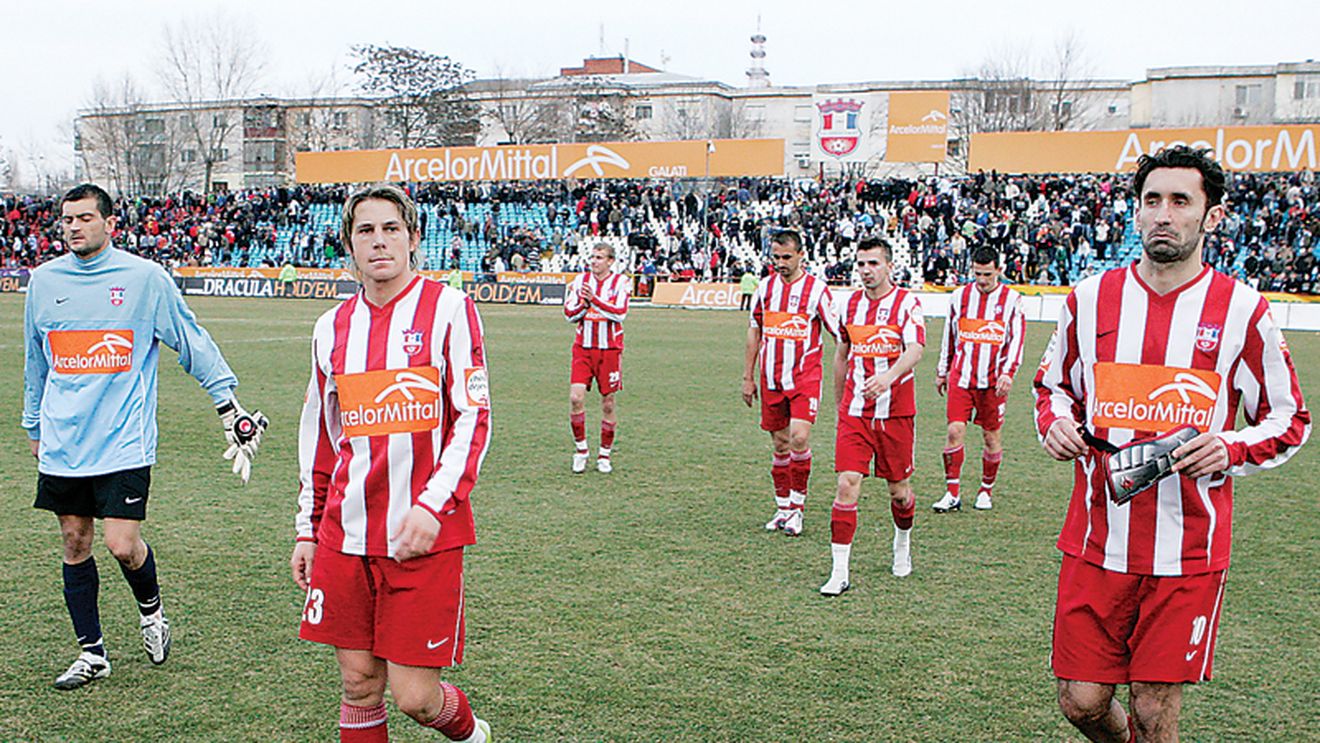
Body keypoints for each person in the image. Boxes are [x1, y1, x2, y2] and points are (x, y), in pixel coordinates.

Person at [1034, 146, 1310, 743]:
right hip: (1094, 540)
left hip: (1186, 551)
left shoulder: (1243, 311)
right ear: (1136, 213)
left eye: (1180, 201)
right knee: (1081, 703)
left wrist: (1230, 448)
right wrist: (1055, 422)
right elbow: (1052, 388)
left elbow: (1289, 419)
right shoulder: (1089, 300)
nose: (1164, 214)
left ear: (1211, 216)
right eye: (1151, 200)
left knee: (1156, 711)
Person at [22, 183, 267, 690]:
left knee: (120, 544)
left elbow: (189, 338)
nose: (73, 227)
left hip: (122, 440)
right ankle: (92, 654)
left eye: (85, 218)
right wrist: (33, 424)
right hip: (64, 439)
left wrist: (228, 403)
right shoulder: (44, 282)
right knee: (74, 541)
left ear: (109, 223)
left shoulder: (144, 280)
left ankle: (151, 613)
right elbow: (36, 360)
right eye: (67, 219)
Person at [291, 184, 493, 743]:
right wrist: (308, 529)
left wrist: (433, 506)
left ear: (413, 240)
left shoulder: (450, 309)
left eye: (391, 229)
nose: (379, 241)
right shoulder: (331, 327)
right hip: (344, 533)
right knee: (358, 684)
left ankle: (472, 736)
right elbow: (320, 437)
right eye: (365, 230)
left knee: (416, 699)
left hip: (423, 534)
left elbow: (474, 418)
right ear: (349, 246)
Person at [820, 238, 925, 593]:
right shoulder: (847, 305)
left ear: (889, 266)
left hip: (896, 412)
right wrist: (838, 405)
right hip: (855, 413)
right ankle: (839, 573)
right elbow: (841, 355)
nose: (866, 271)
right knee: (846, 484)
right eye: (861, 264)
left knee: (899, 492)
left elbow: (916, 349)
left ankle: (902, 545)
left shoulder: (906, 303)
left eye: (873, 264)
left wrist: (888, 377)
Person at [742, 230, 841, 537]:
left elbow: (839, 334)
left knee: (799, 438)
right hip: (770, 378)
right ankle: (783, 507)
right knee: (780, 443)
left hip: (804, 377)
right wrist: (747, 377)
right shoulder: (765, 288)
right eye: (776, 257)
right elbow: (754, 332)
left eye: (787, 257)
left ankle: (797, 508)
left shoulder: (816, 290)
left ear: (801, 256)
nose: (781, 263)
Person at [932, 246, 1025, 512]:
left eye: (987, 274)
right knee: (954, 431)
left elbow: (1016, 339)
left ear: (999, 270)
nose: (982, 280)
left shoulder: (1012, 300)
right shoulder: (959, 296)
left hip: (994, 380)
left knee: (991, 437)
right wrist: (942, 370)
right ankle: (952, 493)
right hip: (962, 377)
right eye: (977, 274)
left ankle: (986, 490)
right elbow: (949, 336)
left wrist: (1008, 372)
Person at [563, 243, 630, 474]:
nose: (594, 261)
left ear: (610, 261)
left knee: (608, 403)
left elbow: (620, 313)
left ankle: (604, 454)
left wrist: (595, 301)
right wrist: (585, 303)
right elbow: (569, 315)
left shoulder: (621, 282)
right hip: (583, 348)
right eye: (592, 257)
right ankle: (581, 451)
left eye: (599, 257)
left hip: (610, 349)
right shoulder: (579, 281)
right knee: (575, 398)